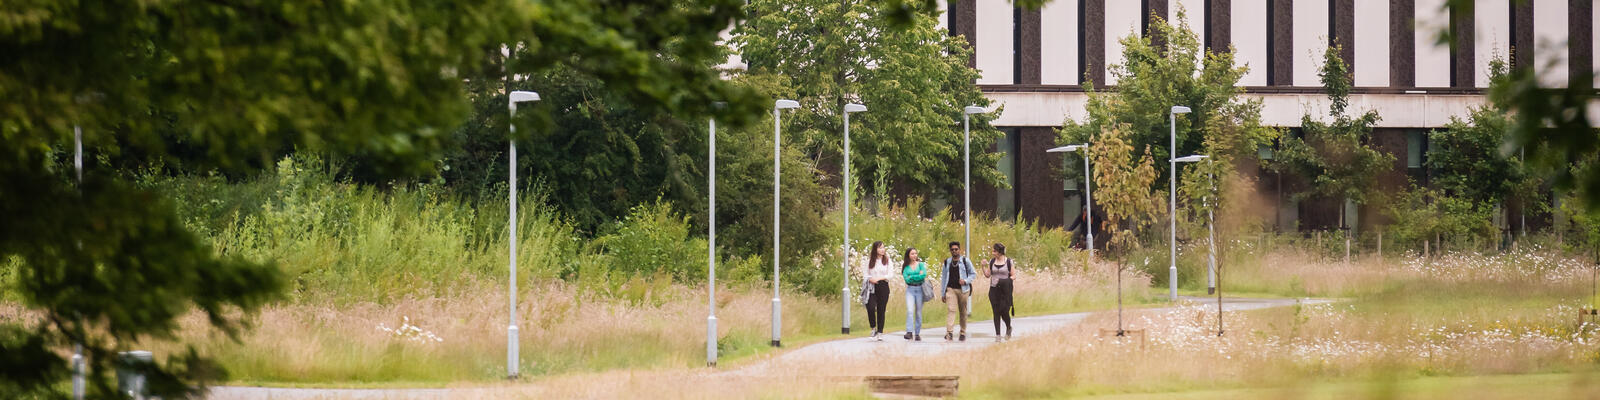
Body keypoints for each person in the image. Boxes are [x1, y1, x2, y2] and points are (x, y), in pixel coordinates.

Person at [940, 241, 976, 342]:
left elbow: (973, 274)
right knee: (951, 310)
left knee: (963, 312)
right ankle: (949, 333)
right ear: (950, 251)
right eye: (952, 250)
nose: (954, 251)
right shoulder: (947, 262)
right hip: (951, 289)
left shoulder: (965, 261)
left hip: (963, 290)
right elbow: (944, 278)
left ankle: (963, 332)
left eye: (956, 249)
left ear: (960, 250)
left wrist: (965, 281)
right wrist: (943, 293)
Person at [983, 242, 1016, 342]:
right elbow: (988, 275)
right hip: (994, 290)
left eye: (994, 251)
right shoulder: (992, 261)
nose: (993, 253)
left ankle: (1008, 327)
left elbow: (1014, 275)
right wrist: (983, 266)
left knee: (1004, 311)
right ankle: (998, 335)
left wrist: (1005, 281)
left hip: (1005, 291)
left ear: (999, 252)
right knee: (996, 312)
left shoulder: (1009, 262)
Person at [862, 241, 894, 341]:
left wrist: (879, 278)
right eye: (880, 248)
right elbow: (865, 274)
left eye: (883, 248)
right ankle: (873, 328)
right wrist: (870, 279)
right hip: (871, 287)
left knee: (881, 309)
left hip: (883, 286)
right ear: (875, 249)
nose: (882, 250)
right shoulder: (870, 261)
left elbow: (890, 275)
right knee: (870, 307)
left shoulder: (887, 260)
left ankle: (880, 332)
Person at [901, 247, 928, 341]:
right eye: (912, 254)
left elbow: (923, 275)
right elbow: (906, 279)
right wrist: (917, 276)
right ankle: (909, 332)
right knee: (910, 310)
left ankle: (917, 333)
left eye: (915, 253)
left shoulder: (920, 265)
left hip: (920, 289)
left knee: (918, 312)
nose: (914, 255)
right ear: (908, 255)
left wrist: (912, 276)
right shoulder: (906, 267)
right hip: (910, 290)